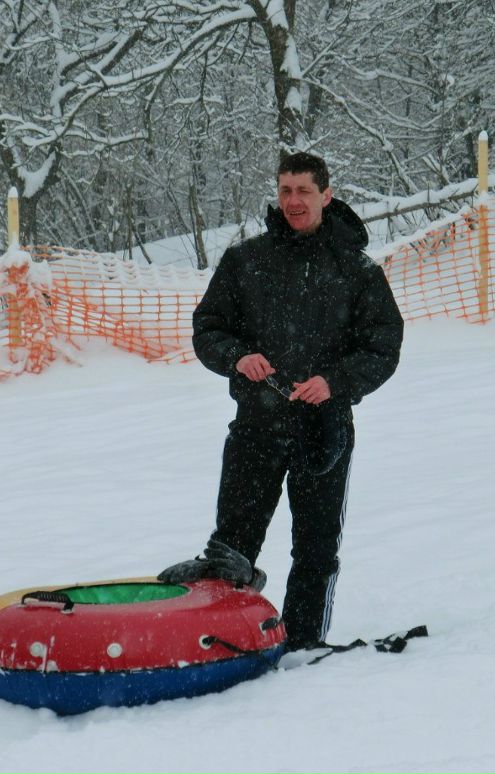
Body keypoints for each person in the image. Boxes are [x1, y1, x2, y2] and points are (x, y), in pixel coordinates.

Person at [158, 152, 404, 651]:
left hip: (324, 430)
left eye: (304, 191)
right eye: (285, 190)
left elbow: (384, 346)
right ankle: (224, 644)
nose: (293, 201)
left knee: (315, 549)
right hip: (257, 424)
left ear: (326, 196)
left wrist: (334, 381)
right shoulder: (246, 261)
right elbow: (208, 328)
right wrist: (238, 357)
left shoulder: (357, 270)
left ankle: (302, 647)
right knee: (231, 547)